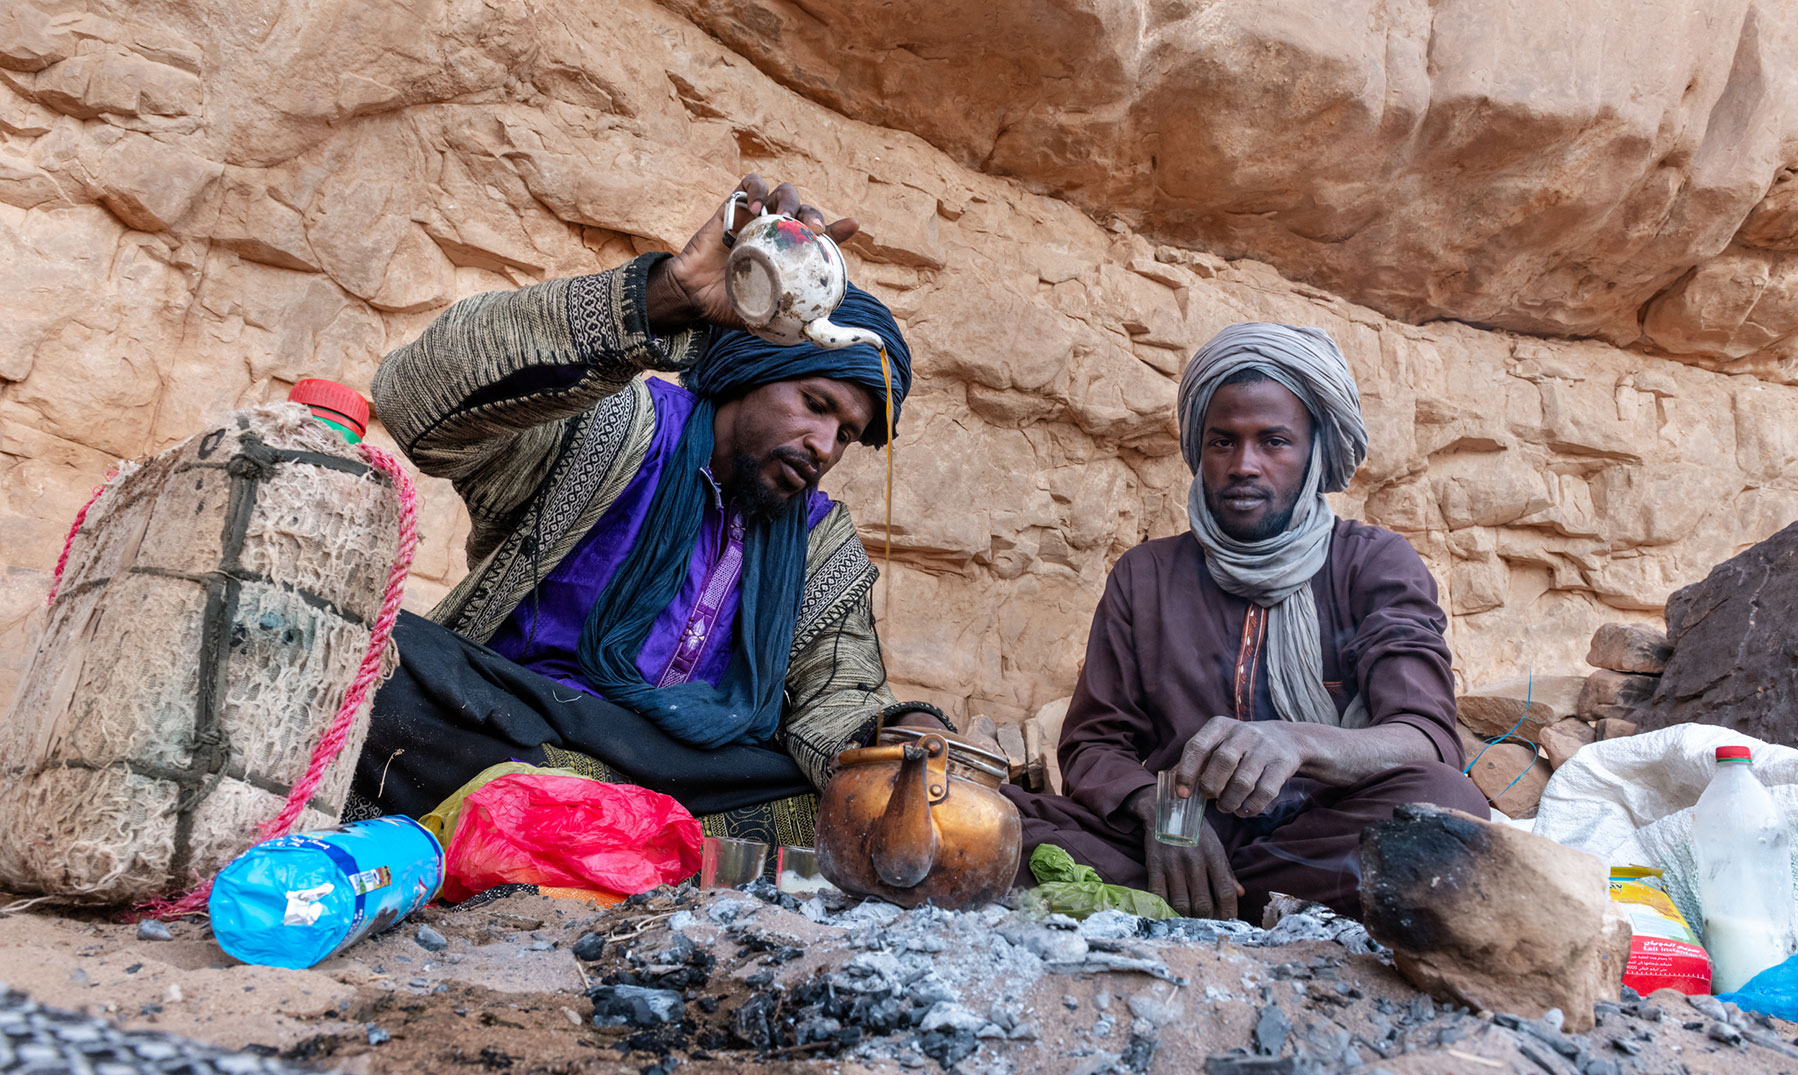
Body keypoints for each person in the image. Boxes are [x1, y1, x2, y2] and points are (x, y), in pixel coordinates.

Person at [347, 175, 951, 846]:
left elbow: (838, 696)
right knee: (379, 654)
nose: (824, 446)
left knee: (819, 798)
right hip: (514, 724)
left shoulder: (819, 543)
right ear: (749, 372)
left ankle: (562, 821)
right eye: (815, 405)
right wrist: (661, 299)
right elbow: (412, 400)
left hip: (677, 772)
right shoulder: (614, 429)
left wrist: (908, 734)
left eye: (845, 434)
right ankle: (595, 824)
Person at [1005, 322, 1488, 922]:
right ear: (1199, 450)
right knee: (988, 817)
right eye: (1223, 442)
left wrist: (1298, 741)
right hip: (1166, 837)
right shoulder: (1146, 574)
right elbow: (1094, 744)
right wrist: (1166, 818)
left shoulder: (1372, 562)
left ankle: (1199, 899)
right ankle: (1236, 898)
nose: (1244, 465)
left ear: (1315, 453)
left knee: (1445, 803)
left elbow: (1427, 738)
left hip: (1317, 837)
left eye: (1274, 441)